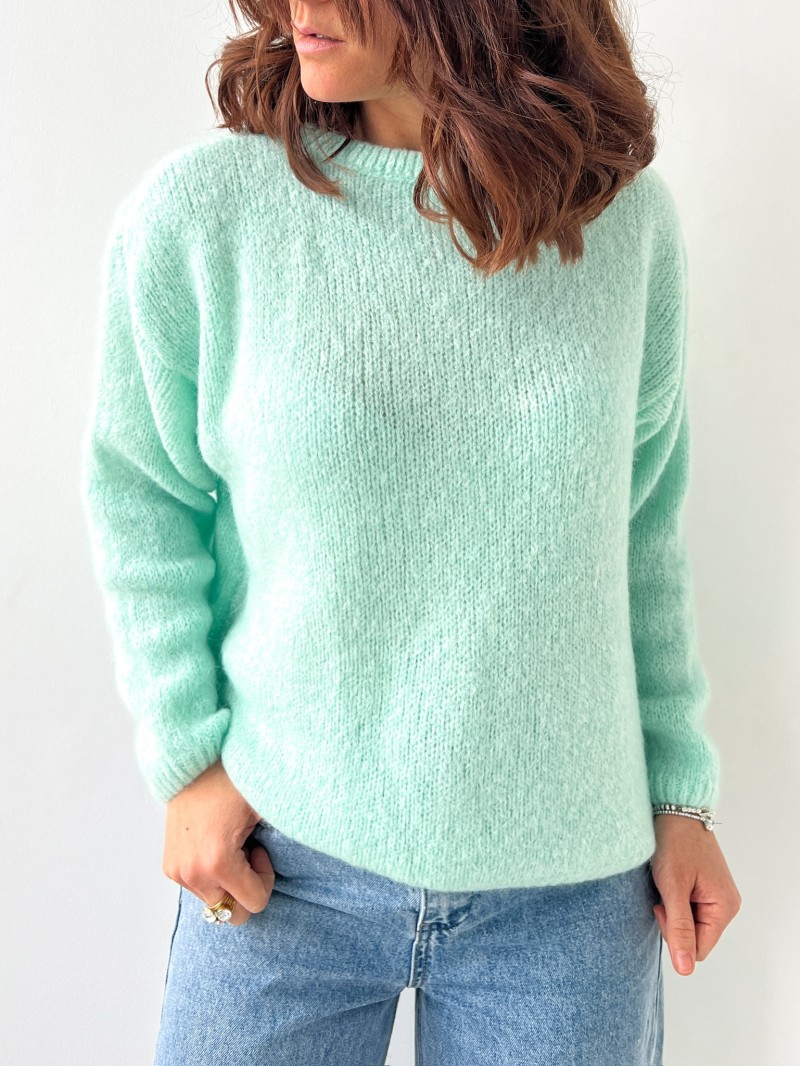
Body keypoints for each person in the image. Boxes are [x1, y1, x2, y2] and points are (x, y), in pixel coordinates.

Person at [80, 1, 742, 1062]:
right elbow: (142, 495)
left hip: (566, 892)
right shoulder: (206, 216)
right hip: (280, 867)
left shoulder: (621, 226)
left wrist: (680, 799)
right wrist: (187, 759)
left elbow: (640, 530)